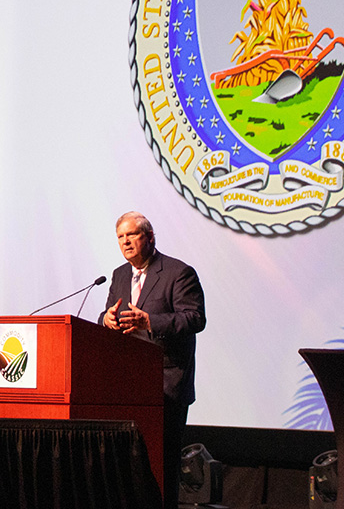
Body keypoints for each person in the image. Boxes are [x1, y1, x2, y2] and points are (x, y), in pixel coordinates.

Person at [99, 211, 205, 508]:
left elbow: (195, 318)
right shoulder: (120, 275)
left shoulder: (178, 272)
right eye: (120, 237)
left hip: (166, 385)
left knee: (161, 462)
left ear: (149, 236)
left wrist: (151, 322)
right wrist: (106, 320)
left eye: (131, 235)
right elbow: (110, 313)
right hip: (126, 385)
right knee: (126, 465)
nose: (125, 242)